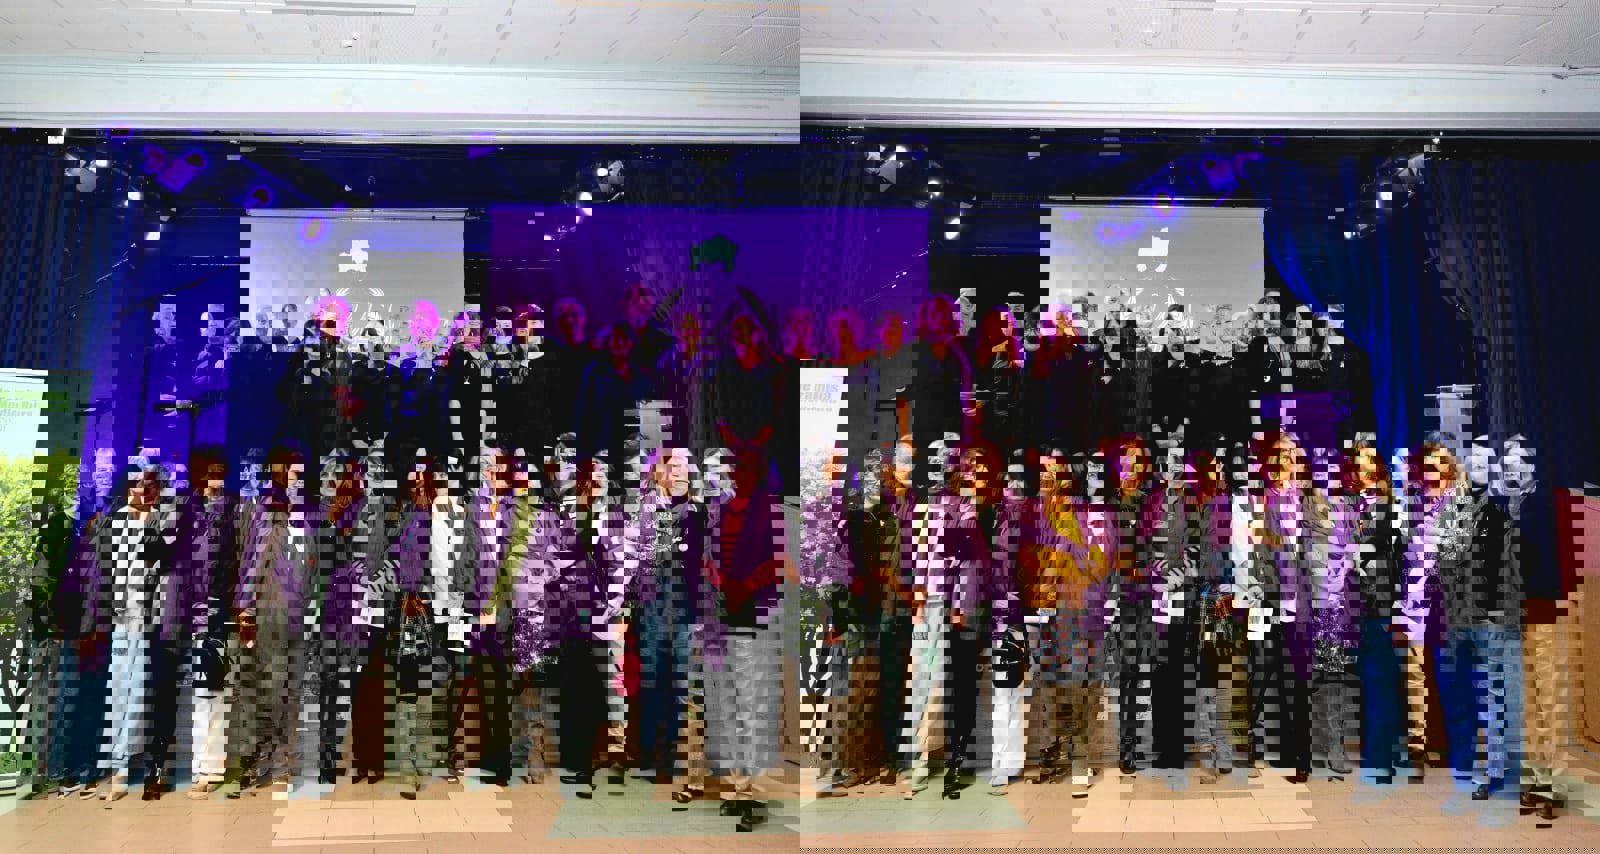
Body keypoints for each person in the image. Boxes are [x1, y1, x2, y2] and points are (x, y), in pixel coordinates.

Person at [1232, 431, 1326, 784]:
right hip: (1264, 599)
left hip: (1299, 601)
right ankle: (1244, 746)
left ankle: (1299, 756)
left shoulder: (1311, 501)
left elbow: (1321, 551)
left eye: (1290, 456)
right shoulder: (1257, 501)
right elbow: (1245, 554)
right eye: (1278, 456)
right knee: (1259, 672)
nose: (1283, 463)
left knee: (1297, 679)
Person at [1439, 437, 1524, 801]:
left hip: (1494, 618)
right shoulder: (1452, 511)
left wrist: (1509, 615)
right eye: (1471, 462)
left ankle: (1493, 772)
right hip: (1461, 621)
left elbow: (1512, 566)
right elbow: (1444, 564)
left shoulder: (1503, 509)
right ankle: (1476, 766)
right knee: (1467, 695)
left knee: (1495, 697)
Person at [706, 445, 784, 830]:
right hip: (723, 618)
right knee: (730, 708)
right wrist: (717, 579)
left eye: (747, 467)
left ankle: (755, 794)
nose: (739, 473)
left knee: (753, 708)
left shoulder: (769, 511)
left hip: (754, 617)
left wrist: (746, 585)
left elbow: (779, 561)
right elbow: (709, 557)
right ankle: (738, 788)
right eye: (737, 467)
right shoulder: (720, 511)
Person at [230, 447, 314, 798]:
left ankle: (280, 762)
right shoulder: (267, 506)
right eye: (291, 468)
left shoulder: (306, 512)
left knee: (289, 691)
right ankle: (253, 760)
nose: (296, 474)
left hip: (298, 614)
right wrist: (245, 609)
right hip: (269, 611)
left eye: (300, 468)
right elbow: (252, 560)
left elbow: (313, 564)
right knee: (265, 689)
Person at [93, 461, 176, 803]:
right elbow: (103, 568)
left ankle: (131, 768)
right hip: (120, 618)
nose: (145, 489)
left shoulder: (162, 520)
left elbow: (163, 563)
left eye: (151, 484)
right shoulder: (114, 522)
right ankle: (118, 770)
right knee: (119, 693)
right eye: (139, 483)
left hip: (148, 621)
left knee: (141, 695)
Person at [1399, 437, 1475, 784]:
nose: (1431, 473)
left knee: (1453, 677)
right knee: (1420, 679)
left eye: (1438, 465)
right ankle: (1422, 748)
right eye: (1425, 467)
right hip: (1417, 603)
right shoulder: (1415, 508)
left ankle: (1462, 755)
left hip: (1449, 604)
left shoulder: (1462, 505)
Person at [632, 448, 707, 793]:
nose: (676, 472)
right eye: (671, 466)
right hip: (652, 609)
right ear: (659, 471)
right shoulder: (646, 509)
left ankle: (676, 761)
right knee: (653, 685)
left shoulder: (697, 512)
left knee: (681, 689)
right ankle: (652, 759)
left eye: (682, 466)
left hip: (686, 612)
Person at [1332, 438, 1406, 785]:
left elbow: (1364, 548)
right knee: (1369, 683)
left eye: (1366, 463)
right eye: (1356, 465)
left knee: (1381, 683)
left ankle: (1380, 761)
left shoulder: (1387, 508)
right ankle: (1380, 755)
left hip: (1379, 607)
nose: (1359, 470)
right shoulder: (1352, 506)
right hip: (1355, 607)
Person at [174, 448, 241, 799]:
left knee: (212, 689)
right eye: (209, 471)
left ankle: (208, 770)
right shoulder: (184, 507)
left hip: (219, 612)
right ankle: (199, 765)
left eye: (220, 471)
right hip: (186, 611)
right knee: (194, 692)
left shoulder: (233, 507)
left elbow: (239, 558)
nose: (215, 477)